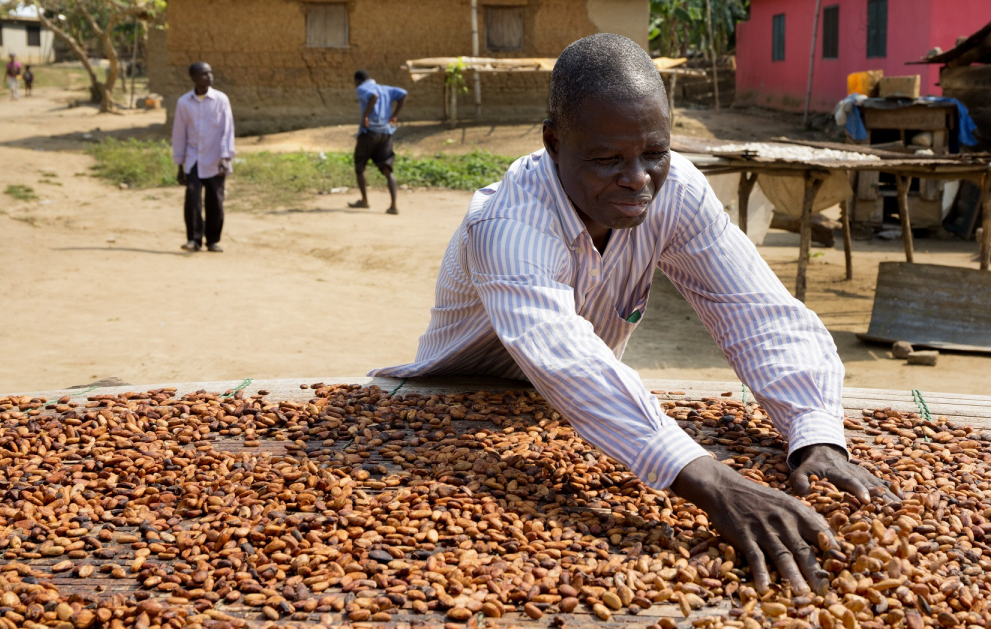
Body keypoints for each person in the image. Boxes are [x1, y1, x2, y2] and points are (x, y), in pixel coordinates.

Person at [369, 34, 896, 594]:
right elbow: (562, 355)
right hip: (451, 408)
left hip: (589, 416)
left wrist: (814, 434)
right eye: (606, 160)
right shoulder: (509, 223)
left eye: (654, 153)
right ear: (553, 142)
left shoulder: (677, 193)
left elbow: (756, 312)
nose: (638, 179)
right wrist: (715, 483)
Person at [171, 62, 235, 252]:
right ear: (193, 78)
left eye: (210, 73)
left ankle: (213, 240)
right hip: (193, 160)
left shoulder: (221, 100)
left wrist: (225, 157)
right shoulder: (184, 103)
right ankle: (194, 240)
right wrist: (179, 165)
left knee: (215, 201)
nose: (209, 77)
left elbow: (227, 130)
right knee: (192, 201)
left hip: (216, 159)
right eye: (204, 74)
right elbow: (179, 134)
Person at [351, 70, 405, 213]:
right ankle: (393, 206)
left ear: (357, 80)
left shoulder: (362, 89)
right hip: (385, 133)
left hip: (369, 133)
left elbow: (373, 97)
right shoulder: (385, 88)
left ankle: (364, 201)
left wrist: (365, 116)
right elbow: (403, 93)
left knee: (360, 166)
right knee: (387, 169)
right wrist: (395, 115)